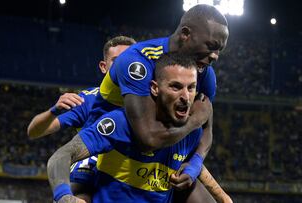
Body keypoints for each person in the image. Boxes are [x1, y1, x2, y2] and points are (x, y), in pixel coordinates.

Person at [91, 4, 229, 201]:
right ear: (185, 34)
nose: (215, 56)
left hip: (162, 156)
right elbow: (148, 139)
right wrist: (195, 120)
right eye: (211, 46)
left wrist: (196, 163)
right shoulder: (138, 61)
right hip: (105, 151)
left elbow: (207, 129)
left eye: (219, 50)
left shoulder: (204, 75)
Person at [47, 52, 214, 203]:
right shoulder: (121, 123)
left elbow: (205, 139)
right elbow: (62, 156)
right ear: (155, 88)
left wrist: (196, 164)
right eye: (176, 87)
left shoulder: (191, 132)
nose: (185, 96)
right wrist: (63, 196)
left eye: (191, 87)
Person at [27, 35, 136, 202]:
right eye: (116, 61)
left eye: (128, 61)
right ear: (103, 66)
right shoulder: (87, 100)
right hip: (91, 177)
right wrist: (52, 112)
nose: (123, 67)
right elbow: (34, 132)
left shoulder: (151, 100)